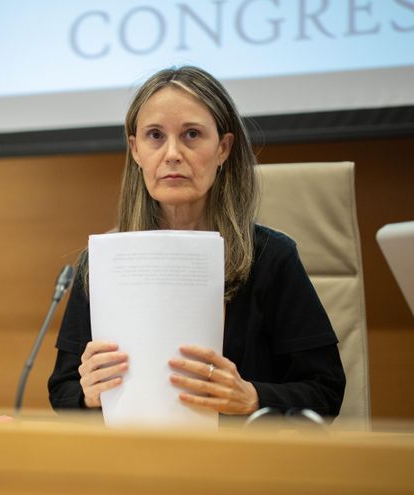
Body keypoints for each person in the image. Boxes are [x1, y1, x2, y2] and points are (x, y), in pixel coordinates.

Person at [48, 66, 345, 417]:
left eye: (191, 134)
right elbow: (63, 390)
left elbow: (325, 390)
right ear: (136, 150)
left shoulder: (271, 257)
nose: (172, 153)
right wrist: (88, 393)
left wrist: (252, 397)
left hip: (240, 462)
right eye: (155, 136)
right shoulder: (101, 262)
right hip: (132, 461)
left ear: (222, 148)